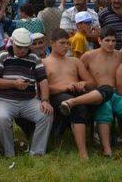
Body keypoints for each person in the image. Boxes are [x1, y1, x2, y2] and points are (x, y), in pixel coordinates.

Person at [44, 29, 110, 159]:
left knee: (107, 89)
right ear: (52, 43)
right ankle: (83, 153)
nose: (66, 46)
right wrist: (64, 87)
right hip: (60, 96)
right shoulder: (44, 63)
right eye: (62, 43)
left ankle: (74, 102)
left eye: (68, 43)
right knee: (78, 107)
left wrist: (83, 84)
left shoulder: (75, 61)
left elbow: (92, 83)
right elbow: (44, 89)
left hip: (79, 95)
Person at [0, 28, 53, 158]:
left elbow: (43, 80)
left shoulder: (34, 58)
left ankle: (37, 153)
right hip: (3, 100)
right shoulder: (3, 56)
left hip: (29, 100)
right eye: (19, 47)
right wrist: (13, 83)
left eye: (25, 47)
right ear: (12, 43)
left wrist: (45, 100)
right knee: (1, 119)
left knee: (46, 114)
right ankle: (9, 153)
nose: (22, 50)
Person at [80, 27, 122, 157]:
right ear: (99, 40)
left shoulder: (119, 55)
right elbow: (79, 73)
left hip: (117, 93)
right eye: (107, 40)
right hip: (98, 94)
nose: (110, 44)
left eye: (113, 40)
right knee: (104, 109)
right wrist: (84, 84)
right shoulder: (88, 56)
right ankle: (107, 149)